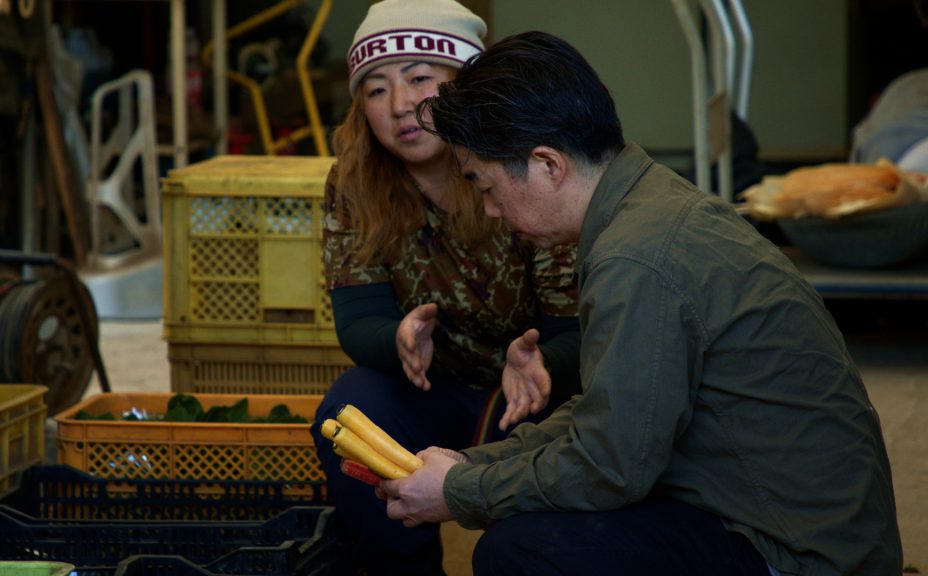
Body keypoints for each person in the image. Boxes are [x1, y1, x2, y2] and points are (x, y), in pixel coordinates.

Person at [380, 30, 903, 575]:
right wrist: (470, 464)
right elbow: (610, 415)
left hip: (796, 552)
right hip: (787, 519)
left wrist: (462, 491)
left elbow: (611, 467)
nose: (489, 211)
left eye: (486, 188)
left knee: (525, 550)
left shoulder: (635, 257)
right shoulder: (649, 202)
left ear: (548, 165)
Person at [309, 5, 582, 575]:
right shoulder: (355, 180)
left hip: (532, 392)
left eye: (419, 78)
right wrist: (399, 339)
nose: (401, 105)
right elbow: (357, 317)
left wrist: (540, 364)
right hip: (434, 387)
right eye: (377, 89)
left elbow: (577, 325)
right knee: (351, 407)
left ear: (464, 84)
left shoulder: (520, 163)